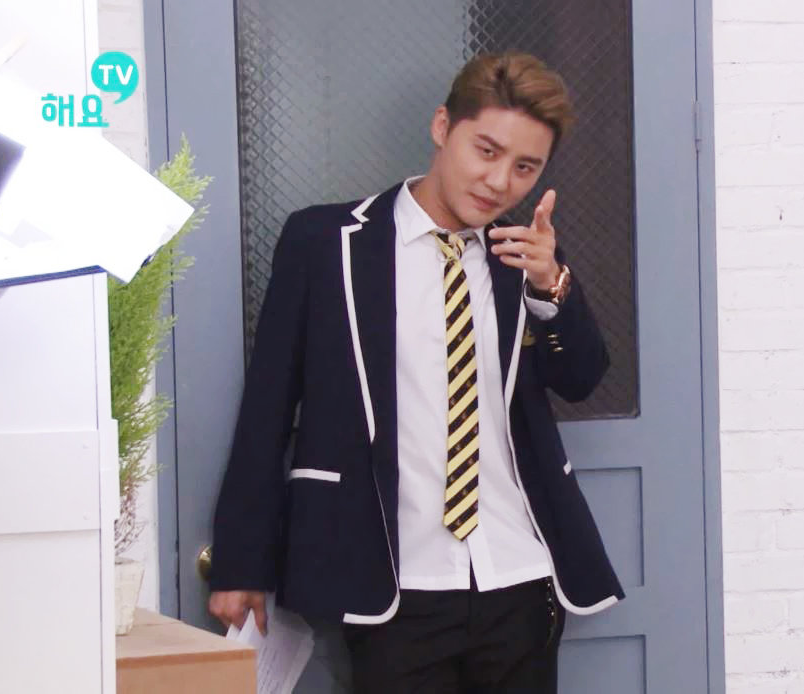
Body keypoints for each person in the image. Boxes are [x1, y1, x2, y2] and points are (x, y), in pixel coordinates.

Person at [207, 52, 623, 693]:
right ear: (442, 127)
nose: (499, 182)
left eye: (525, 167)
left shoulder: (527, 258)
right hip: (393, 585)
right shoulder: (326, 243)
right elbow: (268, 405)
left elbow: (580, 380)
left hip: (517, 575)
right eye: (486, 150)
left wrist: (552, 285)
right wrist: (241, 560)